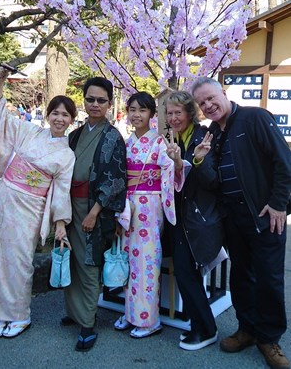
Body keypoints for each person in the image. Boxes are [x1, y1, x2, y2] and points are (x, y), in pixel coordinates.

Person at [191, 77, 291, 369]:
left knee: (270, 279)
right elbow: (213, 180)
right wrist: (199, 162)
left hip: (264, 217)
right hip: (233, 219)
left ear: (224, 93)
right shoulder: (214, 134)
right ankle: (247, 329)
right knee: (241, 277)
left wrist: (278, 204)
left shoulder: (254, 117)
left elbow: (284, 163)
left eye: (211, 98)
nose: (208, 105)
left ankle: (269, 339)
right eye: (202, 103)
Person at [0, 67, 77, 339]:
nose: (59, 118)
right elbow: (1, 119)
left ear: (71, 120)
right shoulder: (30, 132)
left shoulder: (66, 155)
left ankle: (19, 314)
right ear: (48, 115)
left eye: (65, 115)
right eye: (55, 113)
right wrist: (0, 81)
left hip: (30, 208)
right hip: (5, 198)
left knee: (19, 260)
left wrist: (60, 224)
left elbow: (61, 190)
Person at [114, 91, 191, 338]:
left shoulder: (159, 143)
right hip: (129, 206)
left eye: (142, 110)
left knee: (145, 261)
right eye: (132, 110)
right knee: (129, 258)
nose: (136, 115)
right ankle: (131, 312)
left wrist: (177, 164)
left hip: (150, 206)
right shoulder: (126, 142)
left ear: (151, 114)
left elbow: (172, 174)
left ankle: (149, 320)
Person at [61, 76, 127, 352]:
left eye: (101, 100)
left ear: (110, 104)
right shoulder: (76, 134)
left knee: (89, 264)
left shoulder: (113, 137)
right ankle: (76, 312)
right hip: (70, 205)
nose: (95, 104)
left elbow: (115, 180)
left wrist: (95, 212)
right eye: (90, 99)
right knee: (72, 260)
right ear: (84, 101)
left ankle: (87, 323)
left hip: (93, 210)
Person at [164, 90, 226, 351]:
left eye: (178, 112)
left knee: (187, 273)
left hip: (196, 217)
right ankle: (199, 325)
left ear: (190, 112)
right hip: (180, 217)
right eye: (169, 113)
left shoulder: (203, 136)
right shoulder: (174, 137)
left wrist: (194, 159)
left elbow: (212, 180)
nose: (173, 117)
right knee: (186, 273)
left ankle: (206, 329)